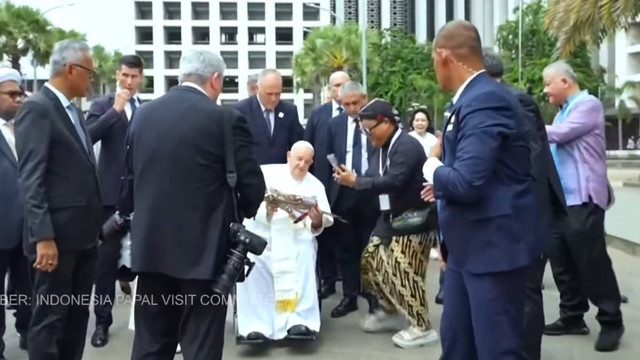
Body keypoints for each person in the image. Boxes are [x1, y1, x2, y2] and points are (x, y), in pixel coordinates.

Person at [120, 49, 265, 360]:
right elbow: (253, 187)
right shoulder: (226, 119)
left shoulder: (142, 114)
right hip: (206, 256)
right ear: (214, 79)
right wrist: (240, 212)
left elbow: (127, 185)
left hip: (152, 252)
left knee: (150, 345)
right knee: (200, 347)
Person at [421, 20, 537, 359]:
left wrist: (431, 167)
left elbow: (467, 182)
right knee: (457, 344)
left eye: (433, 60)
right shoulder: (467, 100)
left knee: (496, 349)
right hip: (465, 248)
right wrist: (447, 239)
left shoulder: (486, 100)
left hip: (493, 251)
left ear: (443, 55)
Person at [15, 39, 102, 360]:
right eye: (89, 73)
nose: (91, 80)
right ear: (70, 69)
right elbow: (31, 178)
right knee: (50, 320)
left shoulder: (74, 113)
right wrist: (44, 237)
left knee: (77, 318)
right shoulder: (38, 109)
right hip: (55, 242)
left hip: (83, 238)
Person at [334, 99, 440, 348]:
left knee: (405, 271)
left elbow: (394, 181)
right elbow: (374, 176)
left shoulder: (406, 146)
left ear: (387, 123)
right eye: (364, 130)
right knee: (371, 262)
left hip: (414, 219)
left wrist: (356, 182)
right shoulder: (379, 144)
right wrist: (351, 177)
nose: (368, 135)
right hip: (389, 218)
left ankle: (422, 327)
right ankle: (391, 311)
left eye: (370, 129)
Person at [483, 51, 567, 360]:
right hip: (505, 216)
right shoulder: (485, 101)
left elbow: (530, 164)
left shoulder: (515, 102)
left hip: (524, 216)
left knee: (526, 290)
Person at [542, 60, 624, 352]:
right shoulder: (564, 110)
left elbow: (559, 135)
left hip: (583, 199)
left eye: (548, 84)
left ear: (565, 81)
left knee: (592, 262)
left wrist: (525, 123)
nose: (545, 91)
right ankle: (572, 316)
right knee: (561, 260)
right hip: (561, 201)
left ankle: (611, 320)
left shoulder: (587, 105)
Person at [236, 141, 333, 342]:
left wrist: (316, 219)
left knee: (305, 251)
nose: (301, 165)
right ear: (289, 155)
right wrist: (265, 211)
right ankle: (257, 325)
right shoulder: (265, 173)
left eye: (307, 162)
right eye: (299, 159)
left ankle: (298, 321)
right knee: (253, 259)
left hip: (295, 238)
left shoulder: (314, 185)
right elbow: (245, 204)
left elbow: (322, 221)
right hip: (263, 235)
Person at [85, 54, 144, 348]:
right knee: (105, 264)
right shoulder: (102, 105)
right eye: (124, 76)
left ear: (141, 78)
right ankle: (102, 323)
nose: (128, 82)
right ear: (117, 75)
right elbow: (87, 136)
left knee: (146, 261)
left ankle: (148, 321)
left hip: (141, 197)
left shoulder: (146, 109)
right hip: (110, 198)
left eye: (134, 76)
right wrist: (115, 111)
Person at [325, 81, 378, 318]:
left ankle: (375, 297)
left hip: (371, 190)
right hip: (343, 191)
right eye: (346, 104)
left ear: (364, 99)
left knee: (371, 246)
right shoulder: (334, 124)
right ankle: (350, 296)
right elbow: (327, 152)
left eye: (356, 102)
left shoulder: (376, 121)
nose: (352, 108)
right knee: (346, 247)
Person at [304, 70, 350, 299]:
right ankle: (328, 281)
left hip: (348, 185)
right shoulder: (318, 115)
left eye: (344, 84)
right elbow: (308, 146)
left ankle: (352, 287)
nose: (339, 89)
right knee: (324, 236)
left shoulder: (357, 113)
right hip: (322, 185)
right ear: (330, 89)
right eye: (336, 86)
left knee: (347, 236)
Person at [0, 67, 31, 357]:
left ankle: (27, 331)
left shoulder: (25, 128)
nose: (17, 99)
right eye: (11, 94)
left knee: (26, 287)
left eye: (20, 94)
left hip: (27, 228)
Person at [234, 69, 304, 165]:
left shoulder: (289, 111)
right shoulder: (241, 110)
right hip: (252, 174)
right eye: (269, 94)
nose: (273, 99)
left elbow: (297, 145)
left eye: (278, 94)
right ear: (258, 88)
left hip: (281, 173)